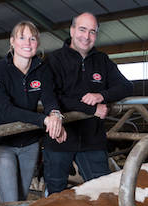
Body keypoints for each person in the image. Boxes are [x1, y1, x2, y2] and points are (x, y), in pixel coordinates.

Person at [45, 12, 133, 195]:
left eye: (92, 32)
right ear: (72, 30)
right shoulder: (53, 60)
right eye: (82, 29)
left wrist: (101, 95)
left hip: (93, 139)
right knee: (55, 193)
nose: (86, 36)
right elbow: (52, 96)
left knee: (104, 193)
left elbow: (126, 86)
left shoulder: (102, 60)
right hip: (60, 137)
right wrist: (91, 108)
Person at [0, 21, 66, 206]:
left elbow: (49, 98)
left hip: (29, 143)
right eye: (22, 37)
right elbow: (4, 110)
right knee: (11, 204)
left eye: (32, 38)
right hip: (2, 143)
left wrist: (56, 115)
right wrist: (44, 120)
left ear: (37, 42)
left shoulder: (42, 68)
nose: (28, 42)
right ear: (12, 42)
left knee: (20, 201)